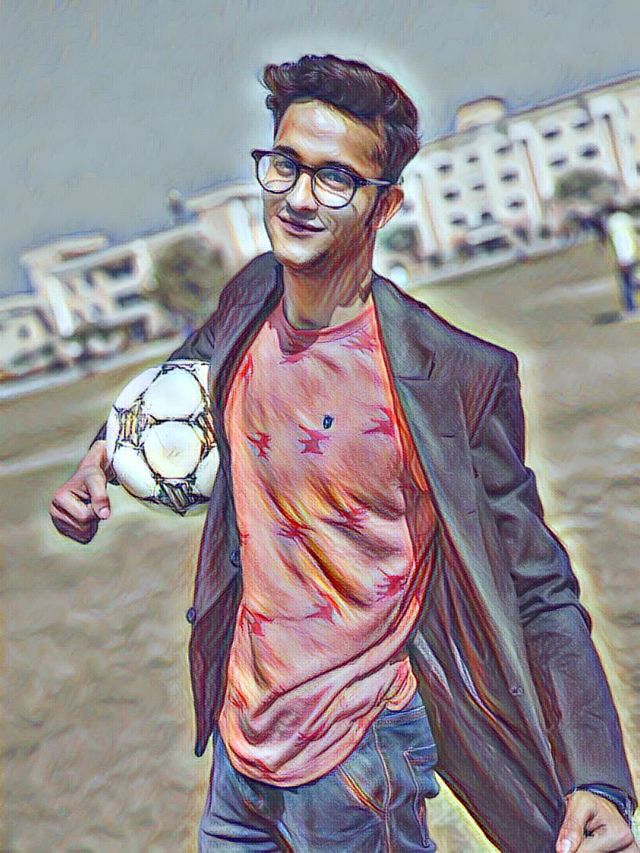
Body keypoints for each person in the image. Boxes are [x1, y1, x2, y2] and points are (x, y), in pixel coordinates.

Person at [49, 54, 638, 852]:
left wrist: (597, 774)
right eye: (286, 165)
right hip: (240, 758)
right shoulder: (249, 297)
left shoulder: (453, 376)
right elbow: (183, 379)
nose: (299, 197)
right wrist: (101, 455)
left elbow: (538, 587)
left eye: (334, 179)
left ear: (384, 204)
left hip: (360, 761)